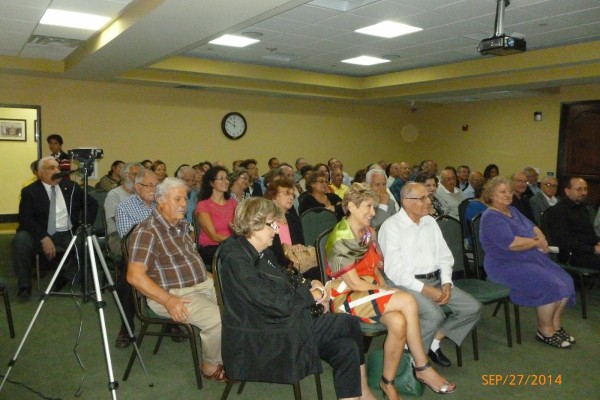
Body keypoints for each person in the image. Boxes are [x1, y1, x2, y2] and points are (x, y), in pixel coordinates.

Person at [218, 197, 376, 400]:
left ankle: (357, 395)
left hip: (281, 322)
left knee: (347, 348)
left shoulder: (259, 251)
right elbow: (274, 303)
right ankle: (365, 392)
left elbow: (284, 276)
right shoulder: (237, 260)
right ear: (253, 225)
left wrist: (310, 283)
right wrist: (311, 296)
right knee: (349, 323)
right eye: (271, 224)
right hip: (266, 334)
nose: (276, 230)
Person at [327, 184, 456, 398]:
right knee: (407, 300)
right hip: (345, 296)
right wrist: (385, 290)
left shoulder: (368, 232)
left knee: (398, 322)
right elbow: (355, 284)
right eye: (368, 206)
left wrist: (383, 286)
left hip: (368, 292)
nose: (373, 212)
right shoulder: (341, 237)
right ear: (351, 206)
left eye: (374, 206)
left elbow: (376, 268)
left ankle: (387, 382)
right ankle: (422, 366)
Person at [127, 178, 226, 380]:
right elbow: (134, 276)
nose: (184, 204)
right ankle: (210, 367)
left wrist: (217, 282)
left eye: (185, 199)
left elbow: (191, 265)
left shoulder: (181, 226)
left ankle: (230, 353)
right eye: (177, 199)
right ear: (161, 201)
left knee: (240, 304)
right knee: (217, 319)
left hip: (201, 284)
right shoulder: (147, 231)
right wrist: (168, 300)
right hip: (172, 294)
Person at [379, 182, 482, 368]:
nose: (429, 202)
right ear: (406, 201)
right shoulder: (391, 227)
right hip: (405, 285)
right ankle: (413, 363)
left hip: (435, 280)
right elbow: (394, 272)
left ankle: (433, 341)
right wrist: (425, 289)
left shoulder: (430, 222)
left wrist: (446, 282)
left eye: (429, 197)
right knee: (434, 315)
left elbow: (445, 256)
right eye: (423, 198)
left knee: (471, 308)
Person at [479, 177, 576, 349]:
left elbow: (533, 227)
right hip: (506, 265)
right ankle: (545, 331)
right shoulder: (491, 217)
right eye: (502, 192)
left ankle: (555, 326)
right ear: (491, 195)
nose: (508, 195)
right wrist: (536, 242)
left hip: (530, 258)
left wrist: (541, 238)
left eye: (509, 191)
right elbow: (511, 244)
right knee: (551, 285)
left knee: (566, 280)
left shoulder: (512, 211)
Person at [12, 156, 98, 300]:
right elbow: (24, 219)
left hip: (67, 231)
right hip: (41, 232)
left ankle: (66, 275)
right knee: (20, 240)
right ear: (40, 173)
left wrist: (84, 225)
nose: (57, 171)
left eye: (58, 167)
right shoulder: (30, 191)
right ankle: (24, 286)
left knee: (88, 242)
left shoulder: (71, 187)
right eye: (51, 168)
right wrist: (43, 237)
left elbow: (92, 204)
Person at [544, 176, 600, 269]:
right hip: (572, 255)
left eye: (585, 189)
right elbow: (564, 241)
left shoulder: (583, 208)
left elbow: (590, 233)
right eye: (579, 189)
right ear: (567, 191)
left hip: (588, 251)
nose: (583, 193)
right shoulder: (558, 211)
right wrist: (593, 249)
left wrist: (597, 242)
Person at [196, 166, 236, 268]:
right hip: (212, 247)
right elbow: (214, 236)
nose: (226, 181)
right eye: (221, 178)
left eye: (227, 178)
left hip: (232, 245)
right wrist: (237, 241)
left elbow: (239, 227)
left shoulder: (233, 203)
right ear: (211, 183)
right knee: (236, 256)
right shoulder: (203, 205)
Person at [104, 162, 142, 256]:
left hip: (142, 235)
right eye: (134, 174)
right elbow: (119, 221)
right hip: (119, 238)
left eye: (140, 176)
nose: (137, 178)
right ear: (125, 175)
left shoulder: (142, 195)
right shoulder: (114, 195)